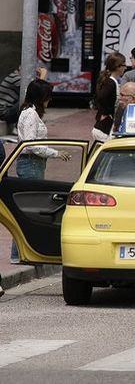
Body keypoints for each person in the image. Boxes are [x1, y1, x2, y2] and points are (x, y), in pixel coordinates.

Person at [10, 79, 71, 263]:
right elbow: (31, 145)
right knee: (28, 209)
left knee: (29, 208)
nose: (49, 100)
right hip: (31, 163)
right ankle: (18, 254)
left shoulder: (32, 113)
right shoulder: (30, 114)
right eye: (47, 96)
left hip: (35, 163)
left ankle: (22, 253)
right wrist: (56, 153)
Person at [0, 67, 48, 134]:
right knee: (29, 101)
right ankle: (18, 127)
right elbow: (36, 90)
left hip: (8, 110)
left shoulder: (15, 76)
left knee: (30, 98)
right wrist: (42, 75)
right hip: (3, 112)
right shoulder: (14, 77)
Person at [92, 51, 126, 142]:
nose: (125, 68)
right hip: (104, 129)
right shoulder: (110, 82)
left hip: (105, 127)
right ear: (118, 67)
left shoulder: (111, 80)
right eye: (124, 65)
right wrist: (105, 113)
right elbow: (101, 97)